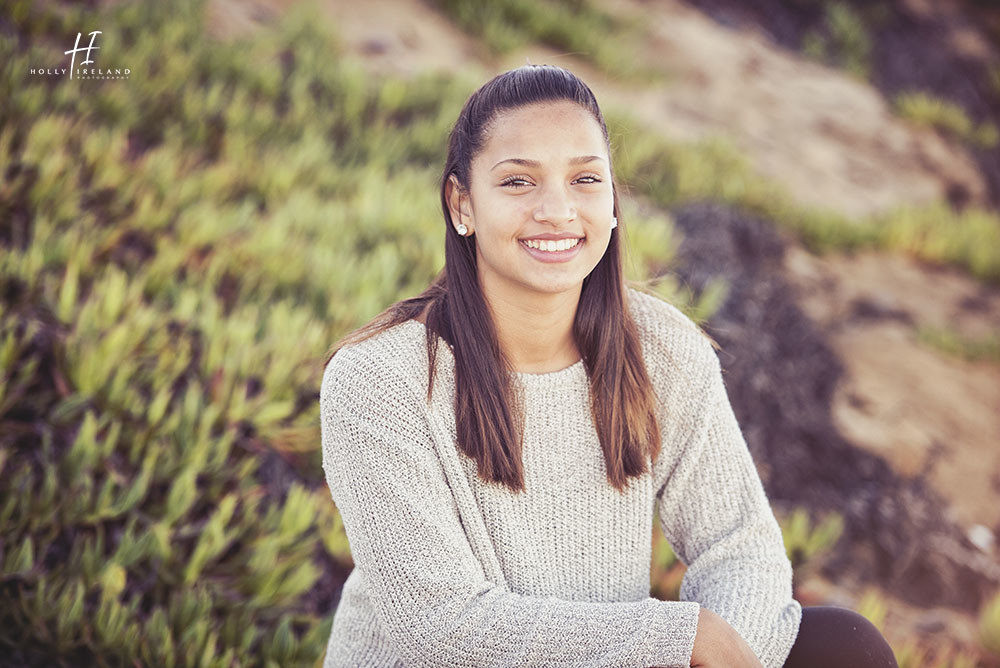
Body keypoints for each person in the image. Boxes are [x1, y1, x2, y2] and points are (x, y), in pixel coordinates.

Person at [319, 64, 898, 668]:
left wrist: (726, 653)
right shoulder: (380, 380)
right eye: (518, 182)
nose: (558, 210)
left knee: (846, 648)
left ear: (613, 201)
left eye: (585, 179)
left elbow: (739, 548)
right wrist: (679, 638)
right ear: (462, 203)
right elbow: (441, 626)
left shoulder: (660, 348)